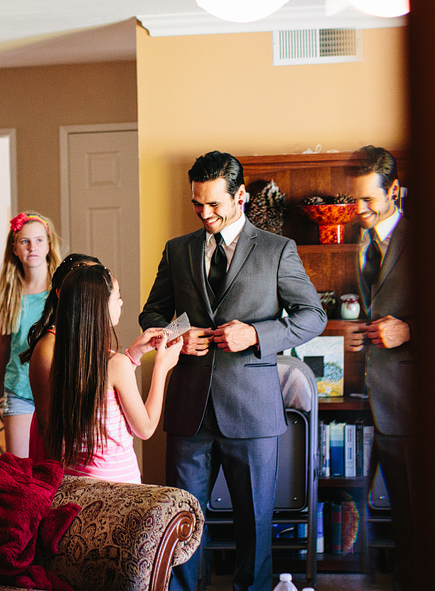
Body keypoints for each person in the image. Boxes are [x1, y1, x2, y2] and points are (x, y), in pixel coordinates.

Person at [139, 150, 326, 591]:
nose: (204, 214)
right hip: (190, 413)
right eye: (196, 205)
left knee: (255, 531)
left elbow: (312, 315)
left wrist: (258, 335)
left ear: (240, 196)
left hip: (253, 412)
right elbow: (152, 315)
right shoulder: (178, 250)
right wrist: (178, 336)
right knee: (178, 529)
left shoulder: (279, 250)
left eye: (214, 204)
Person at [347, 145, 415, 591]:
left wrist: (409, 329)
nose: (359, 209)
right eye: (355, 199)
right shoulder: (363, 241)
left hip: (415, 401)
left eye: (369, 199)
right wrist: (361, 335)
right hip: (377, 397)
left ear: (394, 190)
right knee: (404, 514)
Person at [45, 264, 182, 482]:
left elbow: (104, 391)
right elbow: (145, 429)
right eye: (117, 297)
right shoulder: (116, 364)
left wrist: (133, 354)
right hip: (117, 487)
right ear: (100, 308)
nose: (121, 302)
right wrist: (161, 368)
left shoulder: (64, 359)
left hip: (75, 483)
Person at [0, 212, 62, 457]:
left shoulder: (60, 290)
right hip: (18, 390)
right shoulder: (9, 294)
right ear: (15, 248)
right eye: (25, 241)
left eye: (39, 240)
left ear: (49, 245)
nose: (32, 247)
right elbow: (4, 344)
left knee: (55, 466)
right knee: (19, 467)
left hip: (56, 390)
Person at [19, 252, 100, 461]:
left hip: (86, 447)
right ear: (62, 293)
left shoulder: (90, 337)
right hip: (59, 453)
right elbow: (47, 425)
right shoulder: (48, 347)